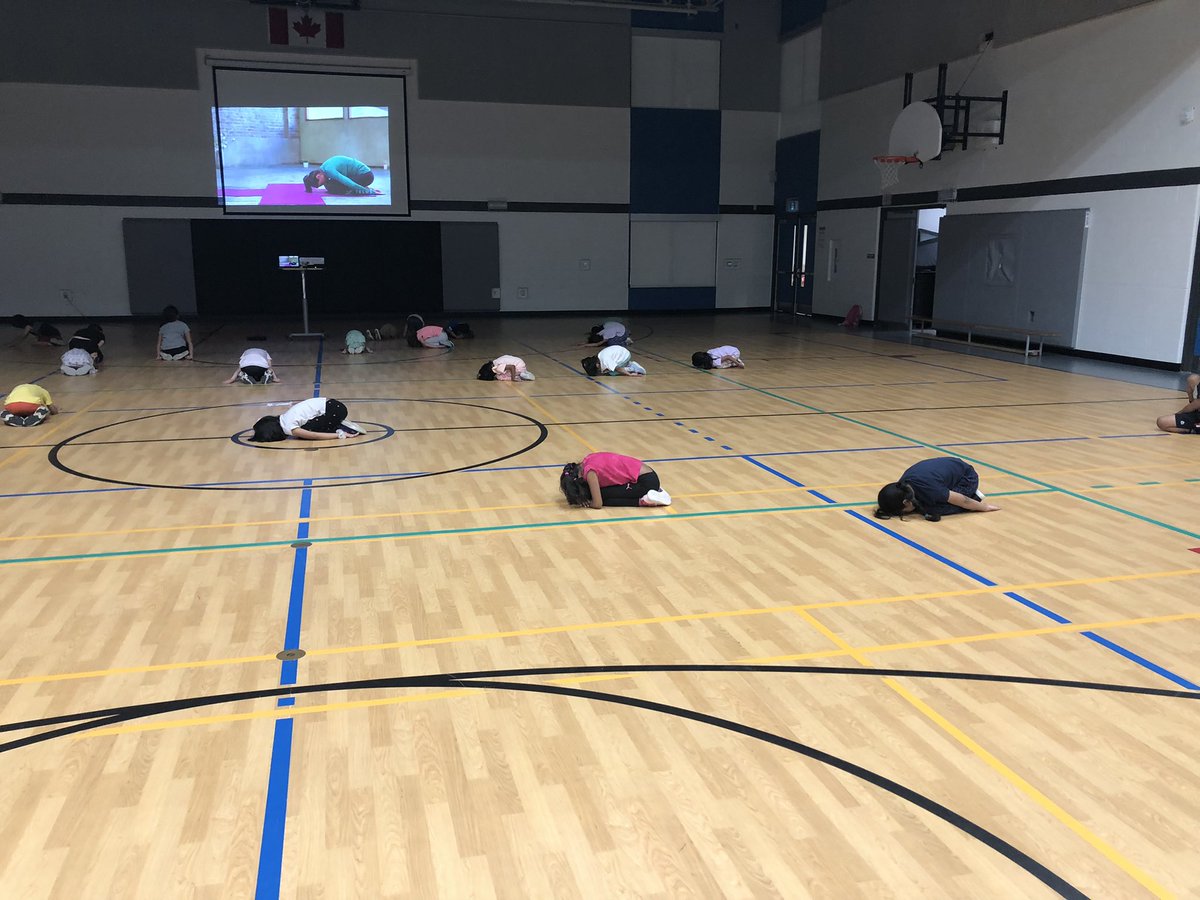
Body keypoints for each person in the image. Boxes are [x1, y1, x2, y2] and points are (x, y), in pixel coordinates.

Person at [875, 457, 1000, 521]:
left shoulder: (931, 490)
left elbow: (962, 501)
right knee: (924, 504)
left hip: (967, 478)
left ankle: (975, 496)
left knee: (933, 509)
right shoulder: (904, 484)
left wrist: (984, 507)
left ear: (906, 502)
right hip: (952, 471)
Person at [559, 453, 671, 508]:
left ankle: (642, 501)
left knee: (599, 495)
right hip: (648, 475)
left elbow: (598, 504)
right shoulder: (587, 460)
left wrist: (587, 502)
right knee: (599, 492)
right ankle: (652, 491)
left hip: (646, 483)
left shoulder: (590, 473)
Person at [247, 397, 363, 442]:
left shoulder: (290, 428)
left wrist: (339, 435)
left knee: (306, 432)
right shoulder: (284, 418)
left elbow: (315, 436)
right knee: (304, 430)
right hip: (334, 405)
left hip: (334, 411)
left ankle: (341, 428)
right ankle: (336, 423)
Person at [302, 156, 380, 196]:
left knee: (332, 187)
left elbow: (349, 182)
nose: (323, 184)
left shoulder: (329, 170)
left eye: (321, 183)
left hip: (367, 176)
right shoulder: (324, 169)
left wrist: (368, 191)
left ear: (318, 176)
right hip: (357, 175)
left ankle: (358, 189)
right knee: (330, 186)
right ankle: (356, 188)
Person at [581, 344, 645, 377]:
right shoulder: (600, 357)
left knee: (612, 373)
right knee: (608, 370)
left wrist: (629, 374)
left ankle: (632, 368)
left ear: (597, 365)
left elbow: (617, 368)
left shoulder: (605, 360)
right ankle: (628, 365)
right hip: (620, 353)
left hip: (624, 356)